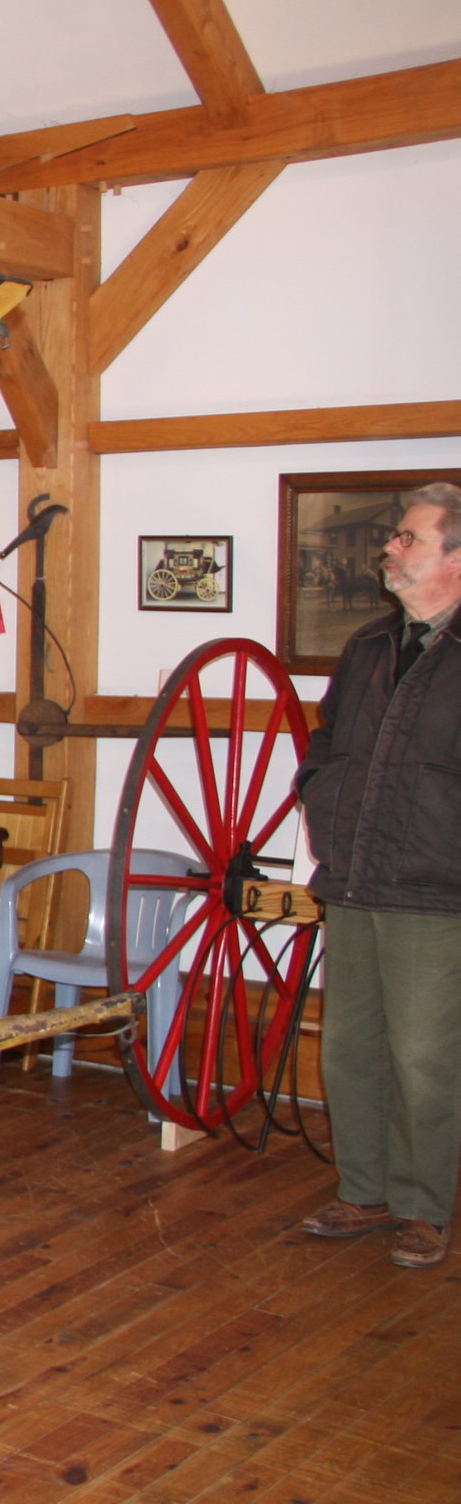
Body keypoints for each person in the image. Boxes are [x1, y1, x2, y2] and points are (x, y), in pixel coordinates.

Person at [294, 481, 461, 1270]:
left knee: (425, 1054)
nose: (390, 547)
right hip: (354, 876)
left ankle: (424, 1205)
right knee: (350, 1046)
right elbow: (324, 745)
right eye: (395, 535)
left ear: (455, 558)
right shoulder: (367, 647)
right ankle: (364, 1193)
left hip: (438, 886)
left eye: (409, 538)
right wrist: (320, 799)